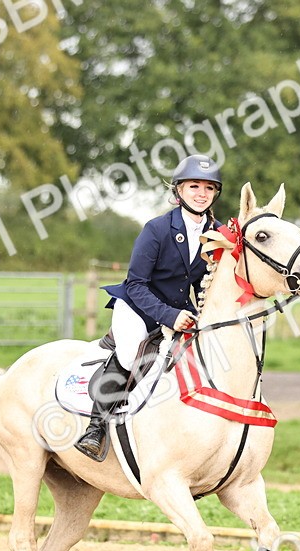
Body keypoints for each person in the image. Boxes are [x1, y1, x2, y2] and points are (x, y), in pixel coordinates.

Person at [74, 154, 222, 460]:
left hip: (180, 311)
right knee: (130, 354)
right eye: (194, 186)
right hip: (137, 307)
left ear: (215, 194)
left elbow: (203, 282)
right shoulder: (156, 229)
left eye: (208, 188)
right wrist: (169, 315)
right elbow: (136, 284)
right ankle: (95, 428)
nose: (201, 193)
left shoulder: (216, 233)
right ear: (179, 190)